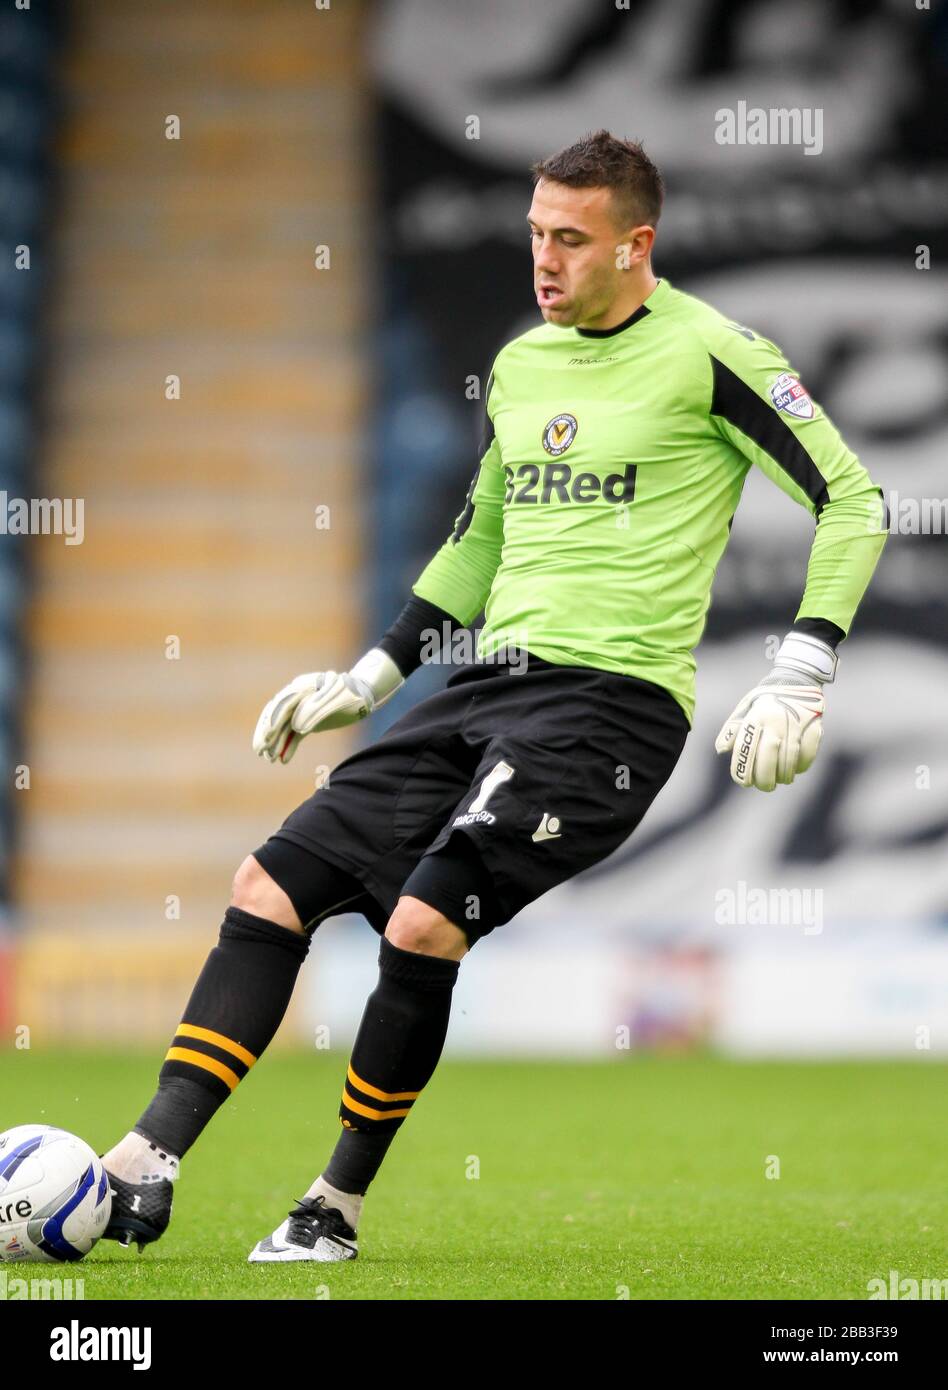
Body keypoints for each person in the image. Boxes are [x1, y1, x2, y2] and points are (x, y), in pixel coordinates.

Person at [100, 129, 888, 1261]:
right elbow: (480, 542)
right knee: (271, 881)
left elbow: (854, 500)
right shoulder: (523, 365)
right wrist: (369, 676)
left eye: (572, 240)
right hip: (485, 690)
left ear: (637, 245)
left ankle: (333, 1205)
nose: (546, 261)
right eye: (535, 236)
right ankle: (144, 1163)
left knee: (423, 920)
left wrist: (802, 666)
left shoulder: (717, 353)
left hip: (609, 710)